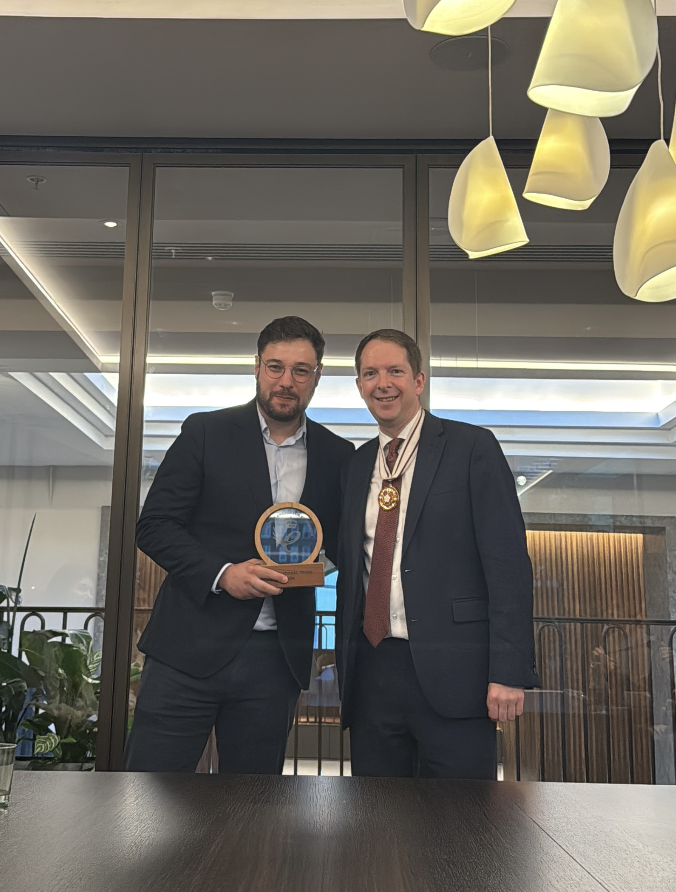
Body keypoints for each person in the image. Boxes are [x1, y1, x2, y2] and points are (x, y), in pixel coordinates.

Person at [125, 316, 354, 773]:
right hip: (187, 650)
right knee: (149, 797)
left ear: (318, 376)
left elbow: (339, 547)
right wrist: (223, 574)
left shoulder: (339, 455)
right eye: (275, 367)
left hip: (275, 661)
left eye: (301, 370)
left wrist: (319, 566)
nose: (286, 381)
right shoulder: (206, 432)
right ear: (256, 367)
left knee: (252, 804)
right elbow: (154, 525)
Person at [336, 329, 539, 779]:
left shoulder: (471, 447)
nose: (382, 383)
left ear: (419, 380)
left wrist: (509, 671)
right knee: (377, 815)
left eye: (395, 371)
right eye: (370, 374)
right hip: (372, 674)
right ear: (359, 385)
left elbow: (507, 565)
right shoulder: (356, 464)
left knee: (461, 816)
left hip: (457, 673)